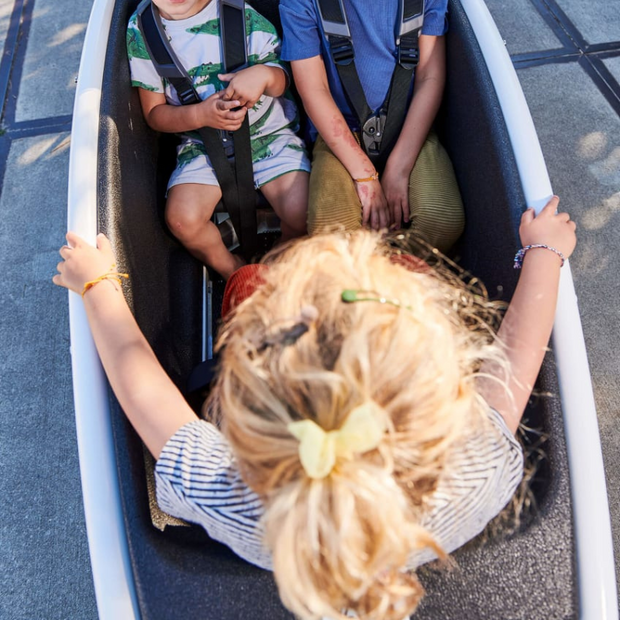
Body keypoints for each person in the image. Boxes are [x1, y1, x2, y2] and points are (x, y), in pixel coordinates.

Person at [54, 196, 575, 620]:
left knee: (248, 281)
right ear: (445, 396)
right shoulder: (478, 472)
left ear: (241, 395)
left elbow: (136, 379)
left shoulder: (222, 493)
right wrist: (546, 250)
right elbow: (519, 356)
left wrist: (96, 283)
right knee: (406, 266)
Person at [126, 0, 311, 279]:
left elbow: (283, 77)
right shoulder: (141, 31)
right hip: (202, 144)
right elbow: (154, 113)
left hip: (268, 135)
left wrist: (262, 75)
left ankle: (277, 262)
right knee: (182, 220)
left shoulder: (239, 14)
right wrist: (200, 115)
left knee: (304, 211)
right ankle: (235, 272)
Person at [278, 0, 465, 251]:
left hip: (409, 128)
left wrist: (399, 168)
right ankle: (364, 280)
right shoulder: (300, 3)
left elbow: (429, 78)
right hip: (341, 133)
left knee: (442, 220)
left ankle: (396, 277)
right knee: (332, 230)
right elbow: (314, 90)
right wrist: (365, 175)